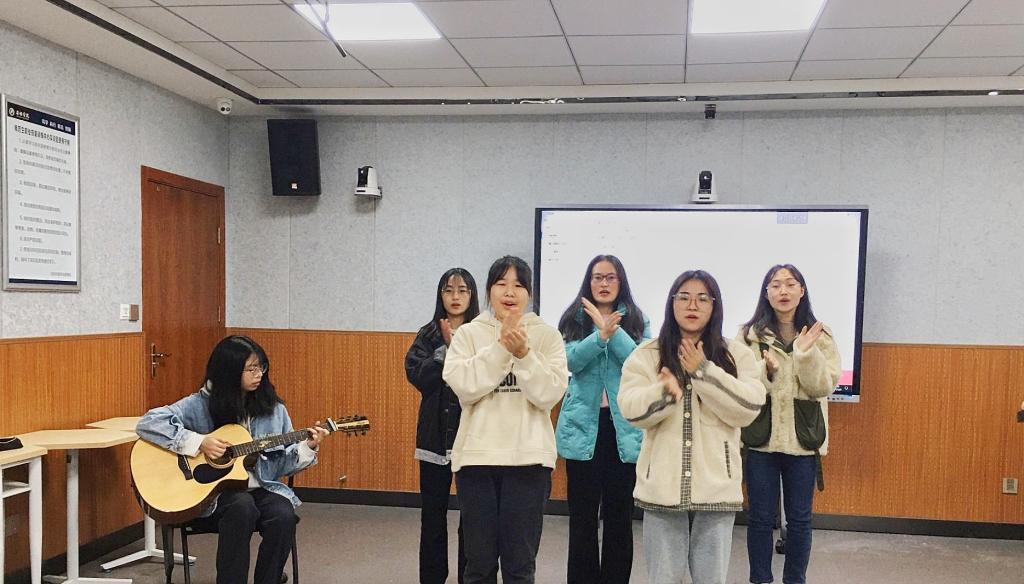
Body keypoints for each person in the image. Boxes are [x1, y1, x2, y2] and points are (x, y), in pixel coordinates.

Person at [136, 335, 328, 584]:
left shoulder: (274, 410)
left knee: (283, 515)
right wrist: (198, 442)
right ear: (229, 371)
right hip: (210, 496)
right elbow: (148, 423)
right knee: (241, 507)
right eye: (251, 369)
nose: (259, 374)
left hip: (261, 487)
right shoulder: (200, 404)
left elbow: (283, 463)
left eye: (261, 367)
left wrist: (308, 447)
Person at [618, 270, 765, 584]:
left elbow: (750, 407)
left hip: (716, 492)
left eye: (702, 298)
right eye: (683, 297)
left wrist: (703, 372)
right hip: (662, 491)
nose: (692, 305)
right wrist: (664, 393)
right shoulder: (647, 355)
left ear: (714, 305)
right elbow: (630, 410)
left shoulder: (735, 354)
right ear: (672, 303)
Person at [442, 255, 569, 584]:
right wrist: (501, 348)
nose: (509, 292)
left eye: (518, 285)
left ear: (530, 293)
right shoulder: (469, 334)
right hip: (476, 461)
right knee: (479, 565)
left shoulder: (547, 336)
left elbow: (548, 394)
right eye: (501, 284)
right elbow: (464, 387)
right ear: (489, 290)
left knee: (520, 566)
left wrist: (525, 354)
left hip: (529, 462)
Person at [738, 264, 840, 584]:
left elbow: (823, 386)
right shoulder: (748, 336)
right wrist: (765, 372)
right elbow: (740, 384)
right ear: (766, 293)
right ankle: (760, 580)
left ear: (802, 291)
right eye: (775, 285)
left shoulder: (820, 335)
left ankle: (795, 580)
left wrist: (805, 354)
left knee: (799, 520)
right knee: (759, 518)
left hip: (803, 440)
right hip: (761, 439)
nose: (783, 290)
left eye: (790, 284)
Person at [554, 254, 650, 584]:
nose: (604, 283)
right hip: (584, 428)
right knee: (582, 519)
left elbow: (641, 362)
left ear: (620, 282)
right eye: (598, 277)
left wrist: (613, 331)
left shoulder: (637, 320)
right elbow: (570, 361)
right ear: (589, 281)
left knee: (619, 518)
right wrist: (599, 335)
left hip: (623, 430)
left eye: (610, 277)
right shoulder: (573, 318)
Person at [405, 267, 480, 584]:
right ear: (440, 296)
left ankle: (469, 577)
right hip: (434, 436)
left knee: (472, 518)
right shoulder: (428, 334)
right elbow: (418, 377)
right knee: (433, 516)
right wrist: (446, 350)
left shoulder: (482, 334)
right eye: (449, 290)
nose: (455, 296)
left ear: (472, 295)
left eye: (462, 290)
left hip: (474, 438)